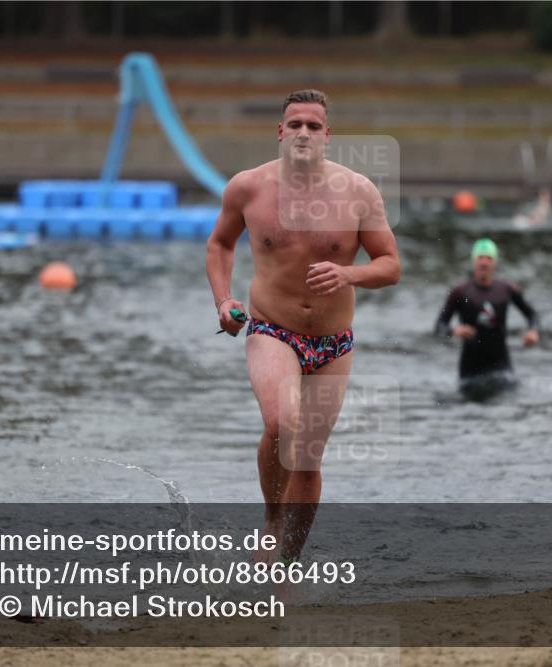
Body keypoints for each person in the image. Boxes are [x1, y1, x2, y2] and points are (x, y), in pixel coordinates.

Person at [206, 89, 400, 564]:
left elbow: (390, 264)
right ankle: (273, 521)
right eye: (295, 124)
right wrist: (224, 300)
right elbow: (220, 245)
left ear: (327, 136)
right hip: (273, 329)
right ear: (280, 131)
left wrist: (349, 273)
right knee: (282, 422)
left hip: (334, 343)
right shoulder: (248, 187)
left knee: (309, 461)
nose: (303, 133)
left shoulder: (358, 192)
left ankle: (286, 568)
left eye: (313, 126)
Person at [435, 238, 539, 400]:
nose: (484, 263)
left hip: (502, 368)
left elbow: (532, 315)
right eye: (480, 257)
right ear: (473, 261)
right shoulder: (460, 291)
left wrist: (533, 331)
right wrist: (454, 330)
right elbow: (439, 326)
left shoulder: (506, 289)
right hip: (470, 370)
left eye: (489, 258)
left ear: (495, 262)